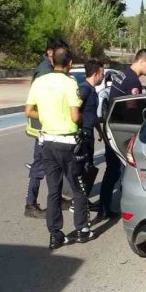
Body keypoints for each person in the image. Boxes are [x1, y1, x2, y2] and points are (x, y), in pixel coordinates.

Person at [25, 46, 92, 249]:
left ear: (52, 62)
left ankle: (55, 235)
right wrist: (82, 120)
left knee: (53, 190)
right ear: (70, 64)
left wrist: (46, 116)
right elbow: (74, 116)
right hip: (68, 144)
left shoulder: (39, 82)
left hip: (47, 143)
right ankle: (82, 230)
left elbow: (28, 111)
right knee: (78, 188)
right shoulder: (70, 83)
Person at [95, 48, 146, 223]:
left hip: (112, 127)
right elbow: (132, 109)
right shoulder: (133, 81)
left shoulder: (122, 74)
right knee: (124, 171)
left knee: (112, 172)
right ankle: (116, 208)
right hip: (122, 131)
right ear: (142, 61)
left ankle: (104, 207)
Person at [24, 37, 66, 218]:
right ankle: (30, 204)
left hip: (47, 125)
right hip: (42, 127)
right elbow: (39, 103)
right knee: (40, 165)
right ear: (51, 52)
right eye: (60, 53)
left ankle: (56, 198)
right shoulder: (44, 71)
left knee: (52, 164)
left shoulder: (48, 68)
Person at [77, 60, 105, 198]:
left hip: (90, 133)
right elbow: (75, 110)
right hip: (83, 135)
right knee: (84, 168)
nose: (103, 77)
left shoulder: (92, 90)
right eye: (102, 74)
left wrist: (99, 130)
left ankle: (84, 200)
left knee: (88, 167)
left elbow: (92, 114)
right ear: (96, 74)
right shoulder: (84, 89)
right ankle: (80, 201)